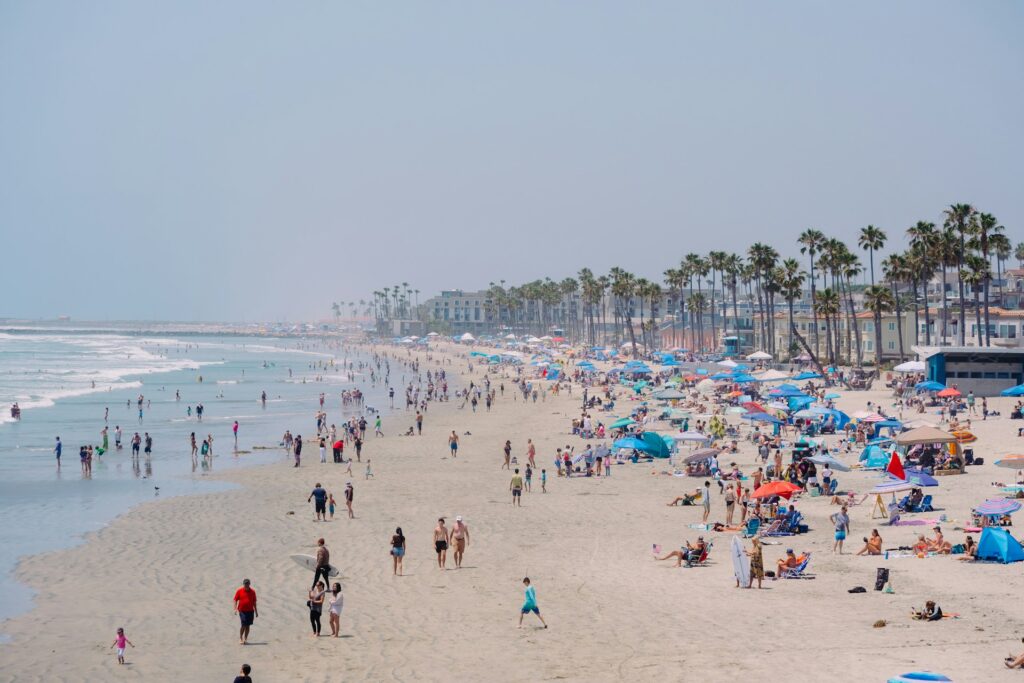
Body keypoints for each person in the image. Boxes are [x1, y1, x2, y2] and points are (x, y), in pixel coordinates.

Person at [233, 578, 258, 645]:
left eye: (247, 583)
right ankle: (241, 638)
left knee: (248, 626)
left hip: (250, 611)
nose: (246, 585)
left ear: (249, 584)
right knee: (243, 625)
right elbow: (235, 599)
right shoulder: (239, 591)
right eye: (245, 584)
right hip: (242, 611)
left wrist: (256, 612)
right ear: (243, 584)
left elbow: (254, 602)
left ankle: (245, 639)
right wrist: (235, 609)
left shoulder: (253, 592)